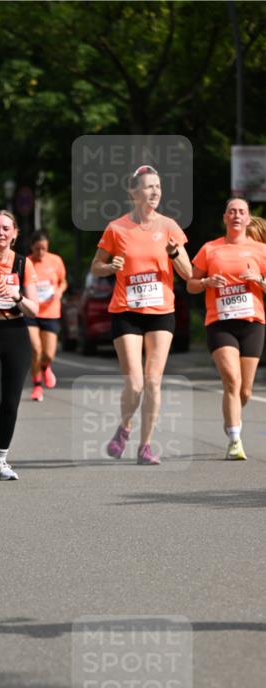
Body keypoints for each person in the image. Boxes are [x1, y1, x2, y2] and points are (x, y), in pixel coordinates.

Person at [90, 164, 193, 464]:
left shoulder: (170, 227)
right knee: (135, 383)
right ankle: (125, 427)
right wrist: (110, 267)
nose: (155, 192)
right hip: (126, 311)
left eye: (158, 187)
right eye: (149, 187)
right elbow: (96, 266)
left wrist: (174, 253)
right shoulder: (116, 228)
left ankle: (145, 446)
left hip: (161, 311)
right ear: (133, 193)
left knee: (153, 381)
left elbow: (188, 274)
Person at [188, 198, 266, 460]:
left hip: (252, 323)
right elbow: (191, 284)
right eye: (232, 211)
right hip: (220, 322)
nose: (236, 215)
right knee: (232, 379)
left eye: (241, 212)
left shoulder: (260, 250)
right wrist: (207, 282)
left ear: (247, 219)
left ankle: (232, 417)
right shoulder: (210, 249)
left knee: (245, 390)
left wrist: (259, 280)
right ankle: (234, 440)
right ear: (225, 218)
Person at [0, 211, 39, 482]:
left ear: (14, 234)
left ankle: (0, 460)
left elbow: (34, 310)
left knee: (11, 402)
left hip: (15, 333)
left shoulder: (23, 263)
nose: (0, 233)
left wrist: (17, 296)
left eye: (5, 228)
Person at [27, 230, 67, 400]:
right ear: (32, 247)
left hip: (51, 312)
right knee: (36, 349)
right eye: (37, 249)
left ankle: (45, 366)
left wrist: (59, 291)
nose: (41, 252)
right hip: (31, 312)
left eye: (44, 248)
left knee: (48, 354)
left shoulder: (55, 260)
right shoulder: (27, 262)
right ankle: (37, 386)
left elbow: (63, 282)